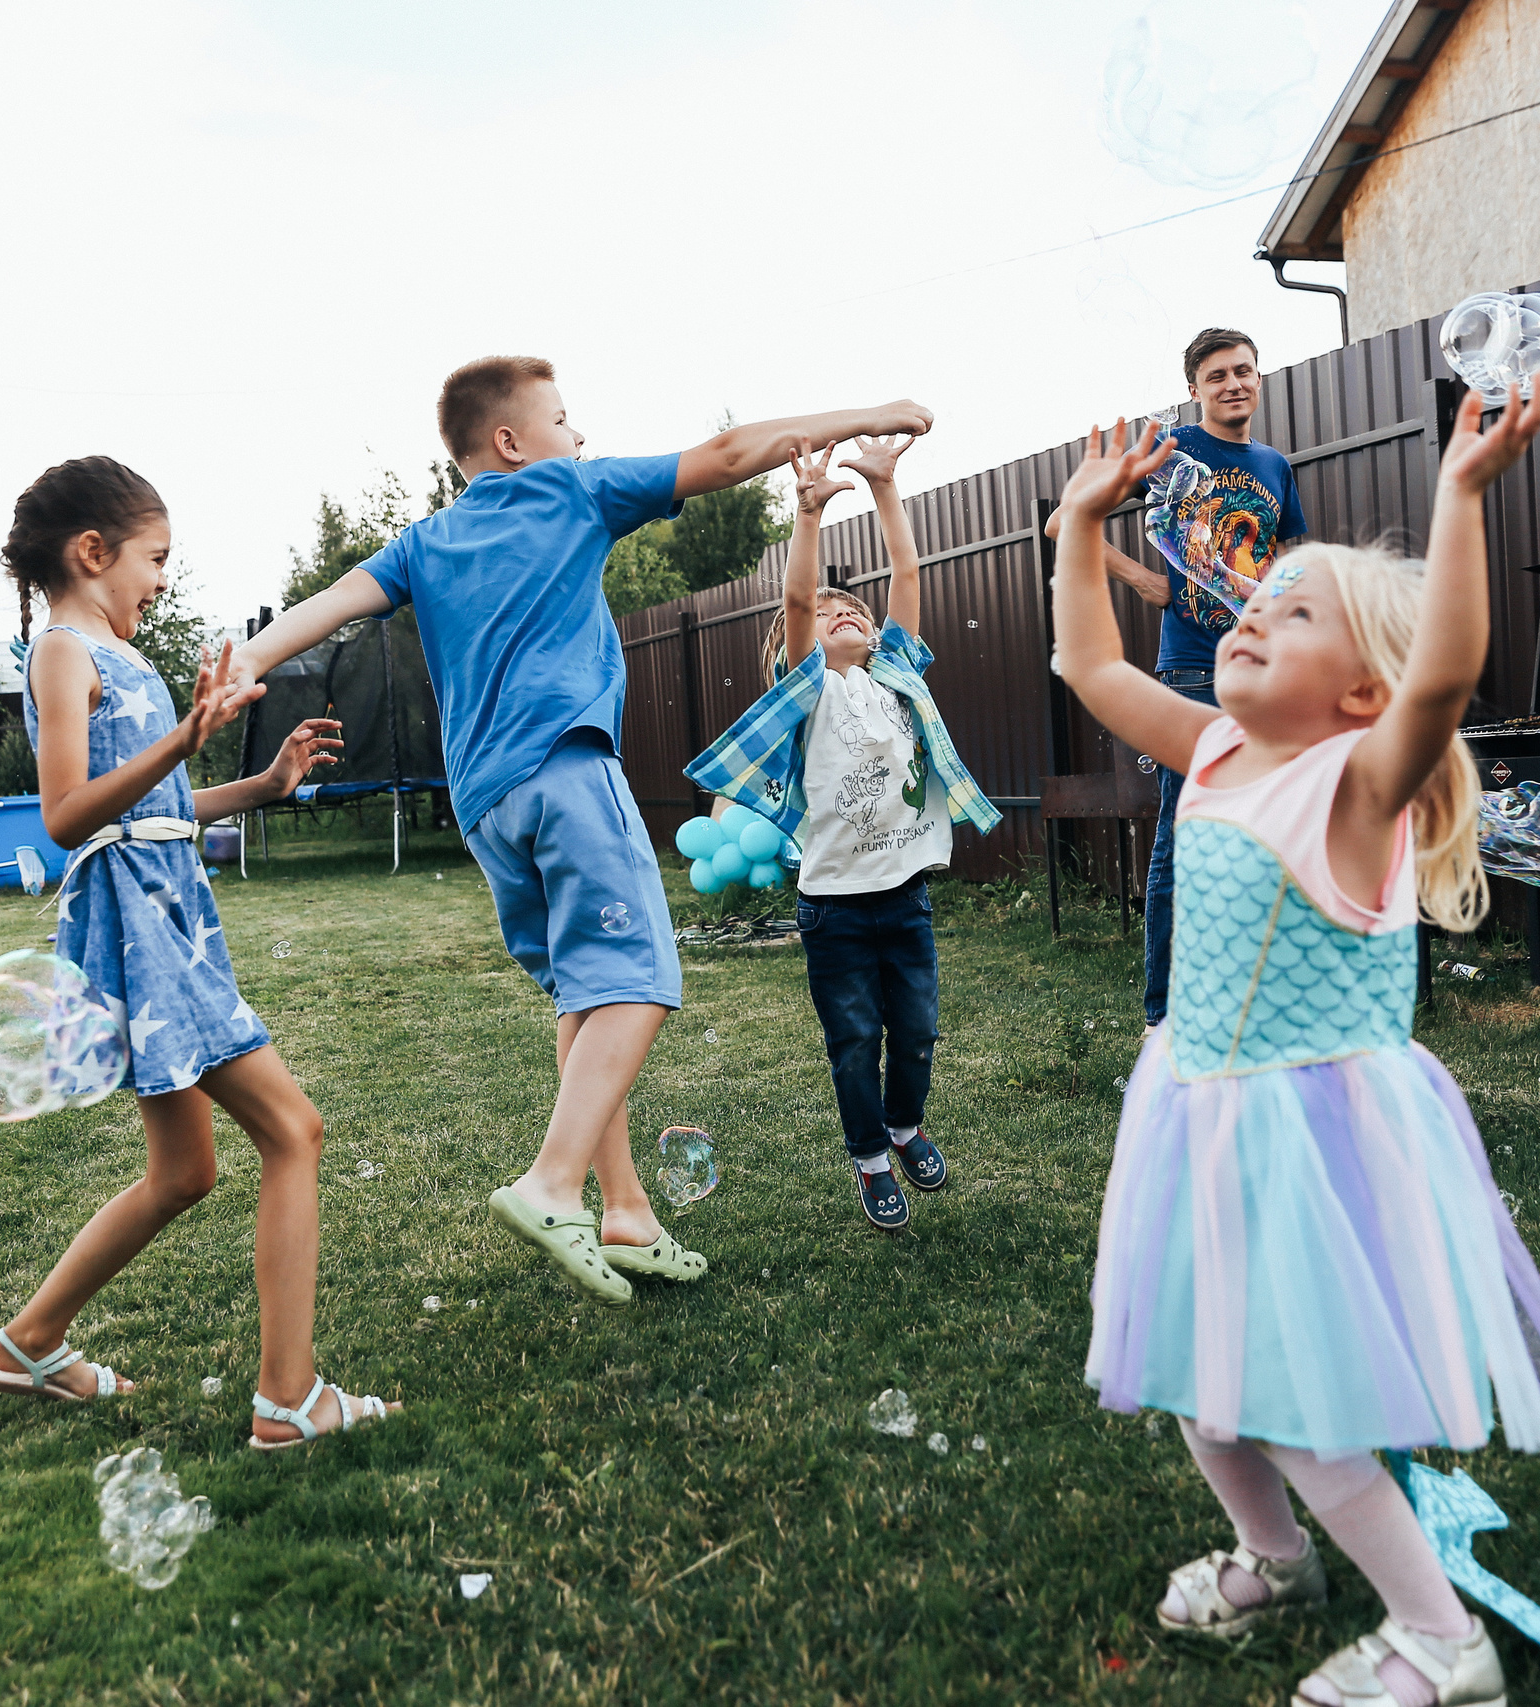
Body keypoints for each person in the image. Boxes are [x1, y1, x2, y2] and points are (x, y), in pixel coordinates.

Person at [1053, 379, 1540, 1707]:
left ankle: (1438, 1633)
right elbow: (1089, 663)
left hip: (1308, 1136)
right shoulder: (1219, 752)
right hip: (1200, 1110)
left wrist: (1461, 497)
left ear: (1363, 689)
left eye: (1293, 611)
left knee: (1298, 1401)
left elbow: (1451, 672)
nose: (1250, 611)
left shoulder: (1357, 786)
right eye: (1256, 597)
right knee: (1201, 1375)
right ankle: (1272, 1556)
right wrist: (1079, 525)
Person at [230, 357, 933, 1306]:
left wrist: (243, 665)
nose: (581, 436)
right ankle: (552, 1182)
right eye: (565, 419)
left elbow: (324, 609)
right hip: (565, 769)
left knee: (582, 991)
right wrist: (864, 413)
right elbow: (728, 452)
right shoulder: (570, 490)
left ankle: (628, 1209)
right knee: (641, 979)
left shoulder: (424, 542)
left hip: (487, 808)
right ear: (513, 444)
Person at [0, 454, 396, 1449]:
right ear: (92, 553)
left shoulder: (112, 652)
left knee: (184, 1173)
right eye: (154, 558)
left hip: (170, 918)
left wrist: (255, 786)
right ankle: (289, 1400)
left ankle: (29, 1342)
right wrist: (182, 737)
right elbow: (68, 815)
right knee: (293, 1132)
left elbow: (158, 813)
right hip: (145, 932)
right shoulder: (62, 654)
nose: (162, 579)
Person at [684, 437, 1000, 1230]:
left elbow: (908, 578)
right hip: (835, 909)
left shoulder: (896, 675)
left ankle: (905, 1126)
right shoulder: (811, 695)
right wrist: (809, 512)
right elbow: (795, 604)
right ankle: (869, 1158)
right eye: (828, 615)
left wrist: (887, 488)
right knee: (856, 1039)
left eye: (848, 605)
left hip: (904, 897)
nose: (842, 611)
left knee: (918, 1030)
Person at [1051, 329, 1310, 1029]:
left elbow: (1287, 562)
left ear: (1258, 380)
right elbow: (1062, 521)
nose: (1235, 382)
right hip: (1193, 671)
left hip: (1264, 675)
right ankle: (1162, 1018)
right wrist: (1140, 577)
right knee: (1182, 838)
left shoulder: (1275, 466)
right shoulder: (1175, 453)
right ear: (1194, 388)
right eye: (1218, 374)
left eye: (1245, 371)